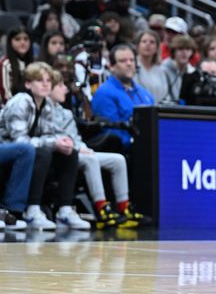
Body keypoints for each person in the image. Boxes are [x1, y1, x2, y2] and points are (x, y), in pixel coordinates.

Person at [47, 70, 149, 228]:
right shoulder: (43, 111)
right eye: (60, 86)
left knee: (118, 160)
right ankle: (101, 207)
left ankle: (123, 207)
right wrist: (77, 148)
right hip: (59, 154)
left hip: (75, 150)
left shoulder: (65, 113)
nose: (66, 89)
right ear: (49, 88)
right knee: (91, 159)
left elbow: (75, 138)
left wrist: (82, 147)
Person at [0, 62, 88, 230]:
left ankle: (65, 210)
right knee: (38, 150)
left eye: (48, 80)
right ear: (28, 84)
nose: (46, 84)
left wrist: (63, 141)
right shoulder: (21, 101)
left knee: (69, 152)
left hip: (26, 149)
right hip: (7, 146)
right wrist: (53, 143)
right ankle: (25, 210)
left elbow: (49, 134)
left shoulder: (46, 105)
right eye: (39, 80)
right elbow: (19, 140)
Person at [91, 44, 155, 151]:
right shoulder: (104, 93)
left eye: (131, 60)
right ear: (111, 66)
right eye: (123, 61)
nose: (129, 64)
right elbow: (111, 133)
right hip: (127, 152)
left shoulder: (145, 93)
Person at [0, 26, 34, 104]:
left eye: (26, 39)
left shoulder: (34, 63)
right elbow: (5, 94)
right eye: (17, 39)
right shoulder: (5, 64)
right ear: (10, 42)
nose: (23, 42)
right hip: (10, 110)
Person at [134, 30, 169, 104]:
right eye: (144, 41)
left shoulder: (160, 70)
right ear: (138, 46)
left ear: (157, 48)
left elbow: (165, 94)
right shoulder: (132, 65)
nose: (148, 44)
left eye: (152, 42)